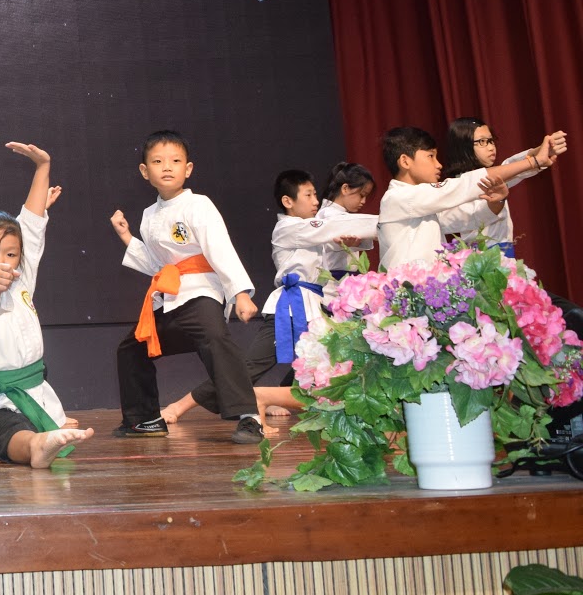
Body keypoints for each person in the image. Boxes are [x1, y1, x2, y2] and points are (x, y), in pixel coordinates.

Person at [160, 169, 378, 432]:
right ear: (288, 201)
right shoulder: (289, 228)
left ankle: (274, 397)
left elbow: (334, 238)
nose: (315, 202)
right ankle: (180, 406)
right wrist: (388, 221)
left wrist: (353, 242)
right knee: (249, 366)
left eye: (315, 195)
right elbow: (329, 229)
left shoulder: (308, 230)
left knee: (315, 363)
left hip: (312, 307)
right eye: (308, 195)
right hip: (289, 307)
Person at [110, 130, 264, 443]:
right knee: (132, 348)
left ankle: (250, 418)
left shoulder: (199, 205)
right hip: (168, 297)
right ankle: (144, 420)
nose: (167, 167)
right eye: (157, 161)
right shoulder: (148, 215)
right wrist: (126, 236)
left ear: (188, 168)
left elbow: (219, 248)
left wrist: (240, 293)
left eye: (175, 161)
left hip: (201, 291)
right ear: (145, 171)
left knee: (215, 338)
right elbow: (157, 265)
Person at [0, 142, 92, 467]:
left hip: (33, 392)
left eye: (10, 254)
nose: (1, 261)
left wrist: (42, 167)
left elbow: (32, 224)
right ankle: (37, 446)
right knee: (6, 430)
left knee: (13, 426)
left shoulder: (21, 279)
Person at [376, 126, 563, 271]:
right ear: (405, 161)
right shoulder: (400, 197)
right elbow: (465, 185)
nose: (438, 164)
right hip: (406, 296)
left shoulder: (423, 202)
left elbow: (467, 218)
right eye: (431, 156)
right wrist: (533, 161)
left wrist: (495, 202)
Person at [440, 118, 568, 258]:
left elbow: (511, 167)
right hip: (481, 259)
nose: (491, 147)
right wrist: (536, 159)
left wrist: (541, 151)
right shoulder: (458, 185)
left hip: (503, 253)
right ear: (463, 146)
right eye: (482, 142)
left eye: (491, 140)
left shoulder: (493, 176)